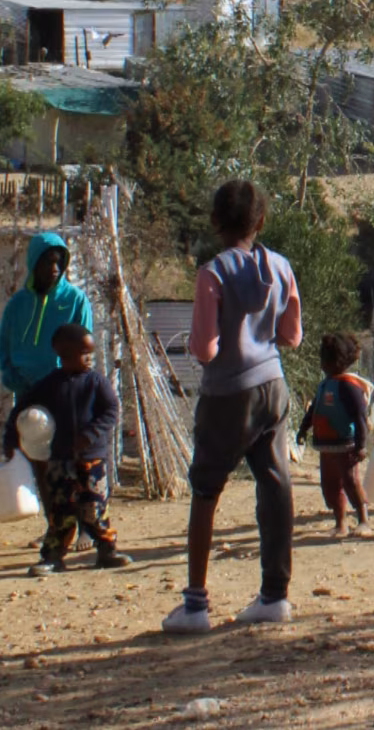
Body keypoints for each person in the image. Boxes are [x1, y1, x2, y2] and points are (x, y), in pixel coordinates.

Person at [162, 181, 302, 635]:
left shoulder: (212, 274)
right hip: (273, 386)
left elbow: (204, 348)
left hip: (227, 392)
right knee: (275, 485)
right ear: (260, 221)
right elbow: (291, 336)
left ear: (215, 222)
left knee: (205, 491)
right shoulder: (279, 266)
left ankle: (196, 603)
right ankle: (274, 595)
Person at [3, 324, 132, 576]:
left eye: (91, 353)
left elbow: (111, 412)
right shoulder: (48, 386)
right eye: (83, 353)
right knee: (61, 512)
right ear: (63, 354)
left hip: (93, 461)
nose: (89, 359)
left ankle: (107, 550)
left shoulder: (97, 382)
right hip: (59, 461)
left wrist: (90, 434)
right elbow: (19, 412)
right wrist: (11, 440)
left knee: (95, 509)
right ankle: (53, 557)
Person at [0, 232, 95, 551]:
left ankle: (83, 527)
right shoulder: (18, 305)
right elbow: (4, 345)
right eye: (48, 261)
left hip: (64, 393)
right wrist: (12, 377)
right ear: (33, 264)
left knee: (73, 462)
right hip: (28, 393)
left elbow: (85, 344)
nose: (55, 268)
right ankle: (55, 525)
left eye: (59, 262)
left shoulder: (75, 300)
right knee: (40, 462)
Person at [295, 333, 373, 539]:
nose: (322, 363)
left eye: (325, 359)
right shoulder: (325, 385)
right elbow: (313, 411)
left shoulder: (348, 386)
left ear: (337, 361)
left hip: (345, 445)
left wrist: (361, 445)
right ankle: (341, 523)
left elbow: (360, 416)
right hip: (326, 447)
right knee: (330, 486)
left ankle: (363, 520)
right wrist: (303, 429)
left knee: (350, 481)